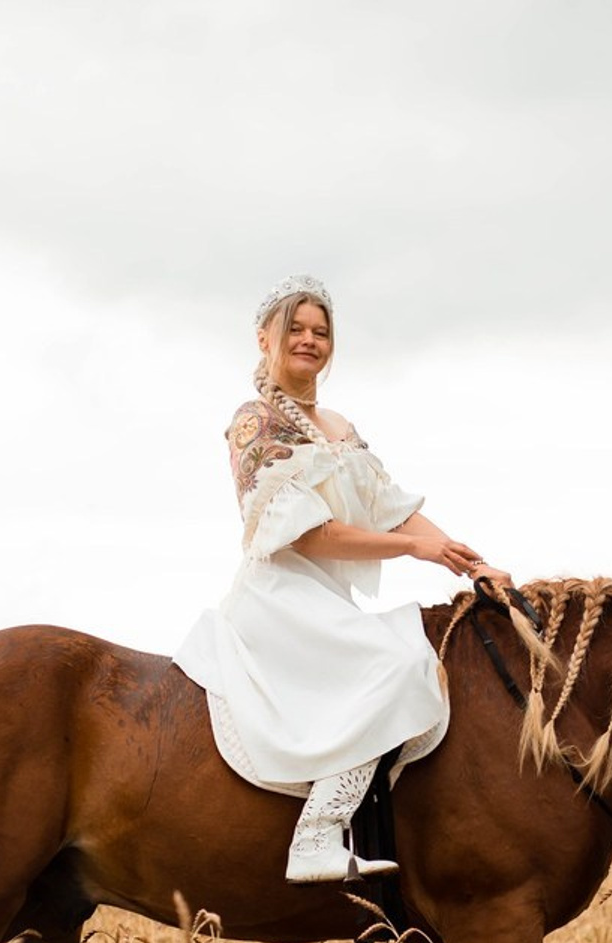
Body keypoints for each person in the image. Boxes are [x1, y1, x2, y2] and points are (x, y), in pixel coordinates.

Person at [174, 274, 511, 883]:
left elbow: (392, 506)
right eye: (295, 329)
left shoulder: (338, 424)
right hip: (279, 596)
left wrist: (470, 560)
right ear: (263, 338)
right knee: (401, 665)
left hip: (325, 596)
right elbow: (306, 534)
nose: (309, 340)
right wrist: (412, 550)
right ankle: (316, 836)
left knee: (411, 659)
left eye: (320, 331)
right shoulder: (254, 423)